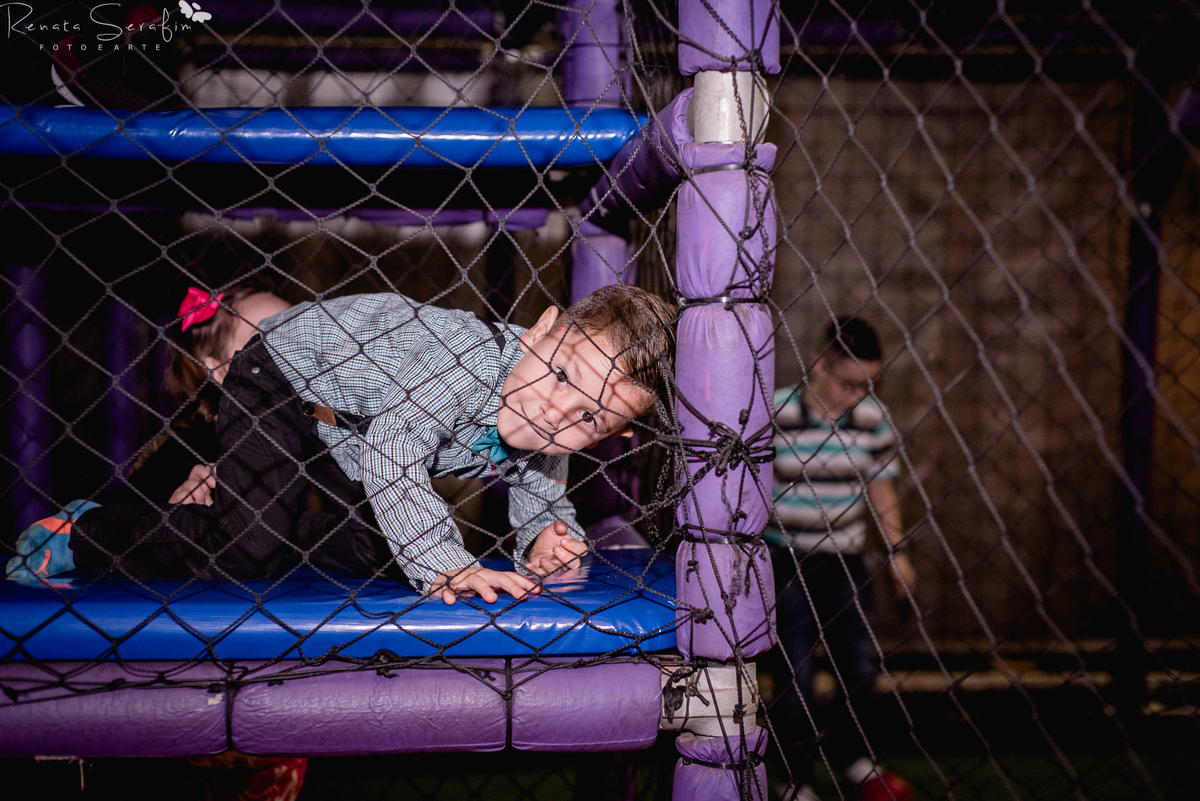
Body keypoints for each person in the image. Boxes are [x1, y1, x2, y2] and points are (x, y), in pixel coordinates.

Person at [12, 285, 676, 605]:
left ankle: (251, 520)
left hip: (340, 430)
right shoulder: (473, 356)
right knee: (248, 545)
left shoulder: (544, 422)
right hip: (281, 378)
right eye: (562, 376)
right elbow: (395, 442)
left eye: (588, 418)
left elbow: (542, 481)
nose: (557, 412)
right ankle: (81, 532)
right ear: (540, 331)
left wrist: (552, 534)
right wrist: (445, 563)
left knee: (378, 549)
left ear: (611, 436)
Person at [768, 317, 915, 801]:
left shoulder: (872, 417)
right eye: (848, 382)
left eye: (866, 384)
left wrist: (897, 551)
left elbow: (881, 485)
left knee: (859, 669)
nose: (857, 394)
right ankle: (791, 778)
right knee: (796, 676)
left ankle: (852, 759)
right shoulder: (776, 412)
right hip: (785, 559)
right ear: (819, 365)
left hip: (845, 559)